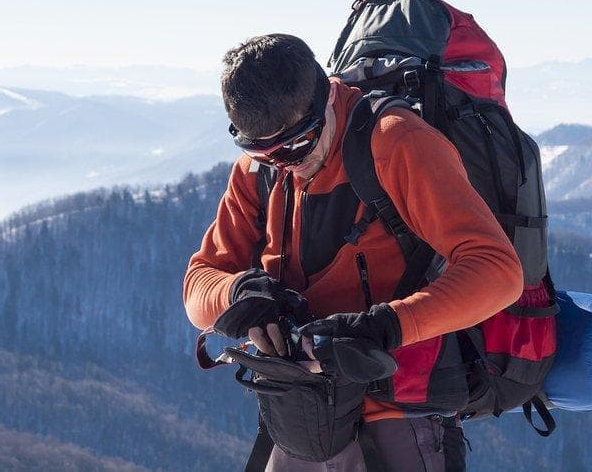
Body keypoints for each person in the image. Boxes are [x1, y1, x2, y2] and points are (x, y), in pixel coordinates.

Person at [183, 34, 523, 471]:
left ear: (326, 98)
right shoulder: (256, 173)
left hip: (401, 410)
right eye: (262, 151)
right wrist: (238, 294)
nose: (284, 163)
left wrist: (384, 327)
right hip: (303, 415)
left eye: (296, 144)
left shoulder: (395, 143)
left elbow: (498, 272)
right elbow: (199, 282)